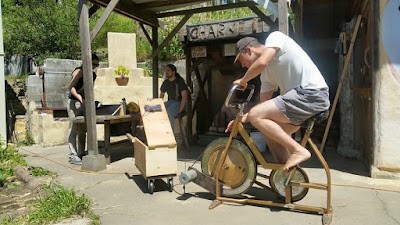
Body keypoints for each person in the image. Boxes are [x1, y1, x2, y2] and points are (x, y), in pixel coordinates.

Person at [226, 32, 330, 172]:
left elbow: (262, 62)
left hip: (311, 93)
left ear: (249, 50)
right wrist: (243, 118)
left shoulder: (275, 37)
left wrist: (243, 80)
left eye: (241, 59)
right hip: (301, 101)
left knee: (256, 115)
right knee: (269, 133)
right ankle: (286, 178)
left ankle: (298, 150)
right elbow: (264, 105)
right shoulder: (266, 75)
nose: (243, 65)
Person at [67, 53, 99, 165]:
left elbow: (88, 89)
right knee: (74, 127)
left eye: (97, 65)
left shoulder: (93, 75)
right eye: (93, 64)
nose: (95, 66)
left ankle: (81, 152)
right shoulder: (79, 71)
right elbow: (71, 87)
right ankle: (73, 155)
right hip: (74, 101)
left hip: (84, 102)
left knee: (83, 128)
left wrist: (89, 101)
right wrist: (80, 98)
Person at [160, 64, 189, 130]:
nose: (166, 72)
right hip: (170, 102)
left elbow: (184, 96)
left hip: (179, 103)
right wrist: (159, 106)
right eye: (165, 71)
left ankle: (170, 133)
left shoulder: (179, 81)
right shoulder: (166, 82)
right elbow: (161, 96)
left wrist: (180, 110)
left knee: (170, 111)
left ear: (173, 72)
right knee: (161, 110)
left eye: (168, 70)